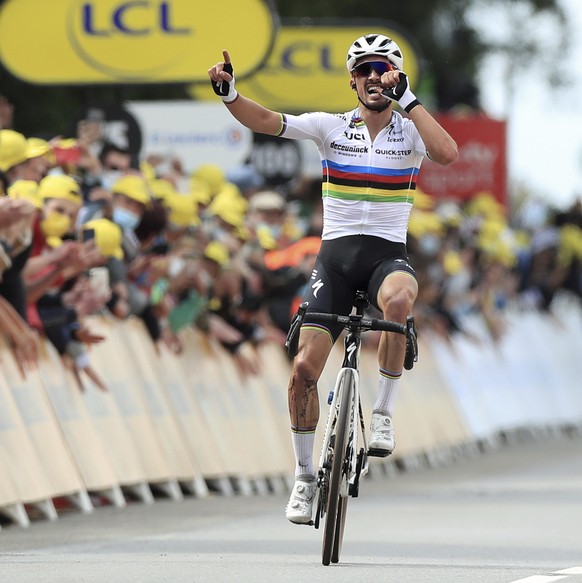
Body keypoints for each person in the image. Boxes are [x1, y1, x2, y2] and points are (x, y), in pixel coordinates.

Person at [208, 33, 458, 524]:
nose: (372, 77)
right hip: (335, 264)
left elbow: (447, 153)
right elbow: (268, 121)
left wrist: (408, 98)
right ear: (352, 80)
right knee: (303, 369)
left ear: (395, 76)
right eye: (363, 70)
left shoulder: (411, 131)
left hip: (387, 259)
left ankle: (383, 411)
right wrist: (231, 95)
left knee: (401, 301)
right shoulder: (330, 128)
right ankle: (303, 478)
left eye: (382, 69)